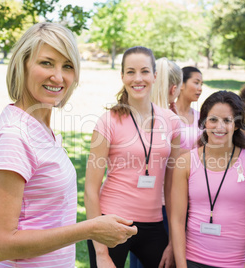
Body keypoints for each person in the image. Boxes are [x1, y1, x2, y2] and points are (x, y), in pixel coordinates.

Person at [0, 22, 137, 268]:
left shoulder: (39, 129)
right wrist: (89, 229)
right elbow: (0, 245)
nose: (58, 76)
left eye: (67, 66)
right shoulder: (14, 137)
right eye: (46, 63)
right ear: (22, 65)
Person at [85, 46, 181, 268]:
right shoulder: (107, 121)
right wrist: (100, 252)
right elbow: (90, 189)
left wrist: (173, 242)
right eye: (130, 72)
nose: (138, 78)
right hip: (112, 220)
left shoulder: (172, 121)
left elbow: (172, 185)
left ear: (155, 76)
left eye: (145, 71)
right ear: (122, 76)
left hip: (154, 223)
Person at [171, 90, 245, 267]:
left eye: (227, 121)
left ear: (237, 124)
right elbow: (177, 220)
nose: (219, 127)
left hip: (237, 262)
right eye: (213, 119)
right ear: (204, 122)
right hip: (193, 260)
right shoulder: (185, 162)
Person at [130, 57, 182, 268]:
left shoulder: (135, 116)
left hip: (134, 204)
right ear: (174, 88)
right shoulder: (174, 122)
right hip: (164, 207)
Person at [175, 66, 204, 155]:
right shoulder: (168, 114)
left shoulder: (200, 116)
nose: (200, 88)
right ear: (182, 85)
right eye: (196, 83)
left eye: (201, 84)